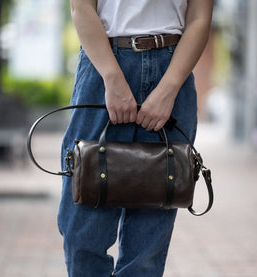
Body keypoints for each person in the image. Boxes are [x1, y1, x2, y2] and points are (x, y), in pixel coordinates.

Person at [58, 0, 214, 276]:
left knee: (146, 249)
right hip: (103, 65)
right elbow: (81, 7)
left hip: (172, 68)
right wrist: (112, 78)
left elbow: (200, 18)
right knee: (82, 232)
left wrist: (169, 89)